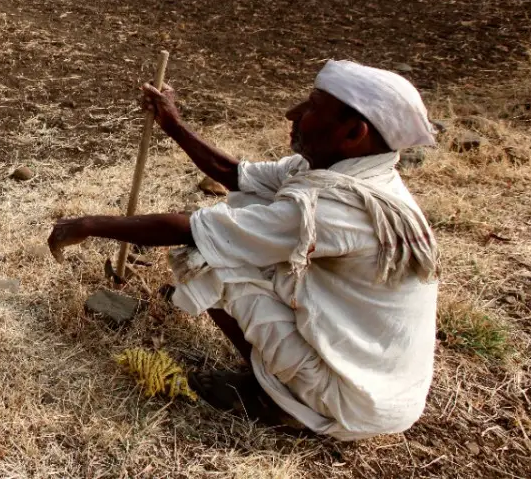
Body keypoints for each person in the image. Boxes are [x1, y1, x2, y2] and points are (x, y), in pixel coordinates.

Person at [47, 60, 440, 440]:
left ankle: (274, 398)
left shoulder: (336, 207)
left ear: (354, 132)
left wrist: (86, 225)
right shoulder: (351, 174)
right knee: (244, 213)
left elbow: (197, 230)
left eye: (313, 108)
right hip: (379, 389)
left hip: (352, 401)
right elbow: (235, 176)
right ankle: (281, 377)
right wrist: (173, 123)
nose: (293, 113)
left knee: (205, 256)